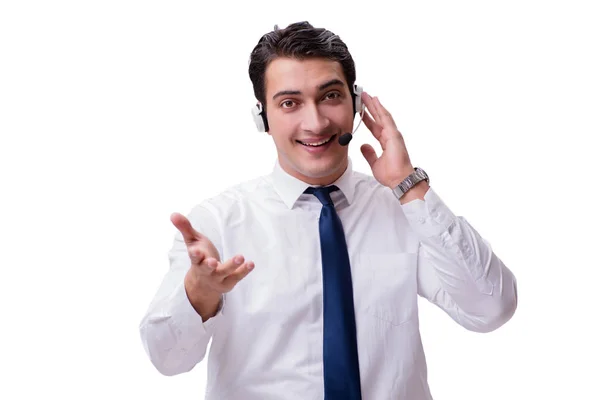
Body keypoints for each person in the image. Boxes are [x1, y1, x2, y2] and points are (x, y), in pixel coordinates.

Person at [139, 21, 518, 400]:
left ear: (355, 103)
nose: (316, 122)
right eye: (290, 103)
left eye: (331, 96)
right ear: (262, 118)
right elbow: (166, 359)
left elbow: (491, 309)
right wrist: (198, 295)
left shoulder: (405, 211)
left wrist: (408, 183)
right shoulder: (216, 223)